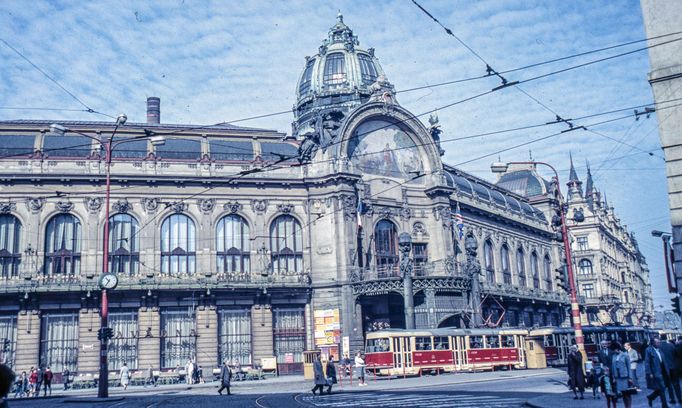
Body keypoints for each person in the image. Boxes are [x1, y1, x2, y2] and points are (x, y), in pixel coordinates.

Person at [645, 337, 670, 408]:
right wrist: (649, 373)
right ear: (653, 343)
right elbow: (647, 362)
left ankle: (651, 397)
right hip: (656, 372)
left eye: (659, 342)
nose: (659, 343)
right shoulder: (648, 350)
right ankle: (664, 406)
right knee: (662, 388)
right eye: (657, 342)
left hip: (664, 371)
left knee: (663, 388)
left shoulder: (660, 349)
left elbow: (663, 359)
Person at [610, 342, 633, 408]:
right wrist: (614, 377)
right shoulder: (614, 356)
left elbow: (629, 367)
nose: (614, 351)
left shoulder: (625, 355)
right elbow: (613, 366)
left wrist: (630, 377)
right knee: (623, 393)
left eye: (614, 349)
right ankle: (626, 406)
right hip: (618, 378)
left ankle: (629, 406)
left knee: (627, 393)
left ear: (617, 348)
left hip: (625, 377)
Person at [660, 336, 681, 404]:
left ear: (660, 339)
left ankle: (672, 399)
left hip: (665, 369)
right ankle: (679, 398)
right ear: (666, 338)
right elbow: (677, 355)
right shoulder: (671, 345)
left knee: (669, 385)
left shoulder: (659, 347)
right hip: (674, 367)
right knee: (676, 384)